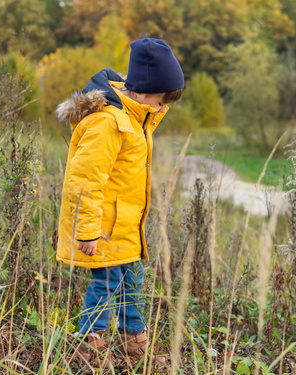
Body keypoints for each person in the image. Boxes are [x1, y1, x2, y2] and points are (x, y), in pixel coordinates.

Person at [56, 37, 184, 371]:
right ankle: (90, 352)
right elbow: (84, 181)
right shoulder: (109, 122)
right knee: (106, 286)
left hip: (126, 230)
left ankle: (134, 348)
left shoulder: (135, 119)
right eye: (160, 101)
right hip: (103, 229)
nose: (161, 109)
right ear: (142, 91)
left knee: (132, 286)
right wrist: (86, 231)